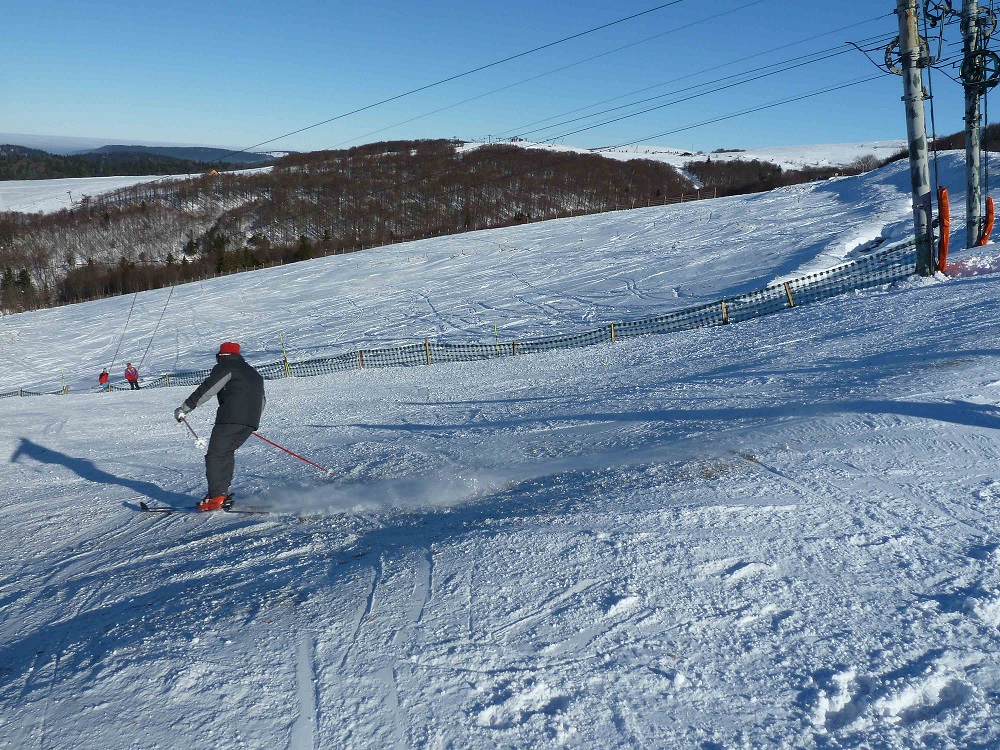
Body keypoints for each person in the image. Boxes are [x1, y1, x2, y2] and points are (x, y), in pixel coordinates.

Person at [174, 342, 265, 511]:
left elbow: (207, 389)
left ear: (221, 355)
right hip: (249, 421)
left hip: (230, 419)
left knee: (216, 455)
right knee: (225, 453)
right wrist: (250, 422)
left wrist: (184, 409)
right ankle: (220, 493)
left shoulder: (226, 366)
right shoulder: (253, 372)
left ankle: (216, 497)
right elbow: (262, 399)